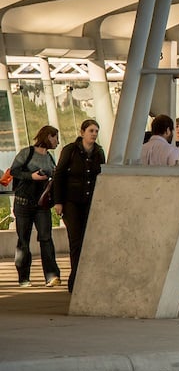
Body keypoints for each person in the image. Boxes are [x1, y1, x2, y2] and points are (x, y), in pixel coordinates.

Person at [52, 119, 105, 293]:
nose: (94, 134)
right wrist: (58, 202)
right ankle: (74, 281)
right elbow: (58, 176)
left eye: (96, 131)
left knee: (88, 240)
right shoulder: (70, 150)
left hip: (89, 202)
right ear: (82, 132)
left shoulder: (98, 152)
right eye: (91, 131)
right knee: (76, 241)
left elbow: (101, 176)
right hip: (71, 202)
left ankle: (87, 279)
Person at [9, 125, 61, 288]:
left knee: (46, 238)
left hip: (42, 204)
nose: (57, 142)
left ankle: (52, 276)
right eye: (55, 138)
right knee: (23, 240)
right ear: (47, 137)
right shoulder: (27, 153)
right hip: (23, 203)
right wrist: (31, 176)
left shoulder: (50, 158)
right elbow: (14, 171)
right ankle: (23, 277)